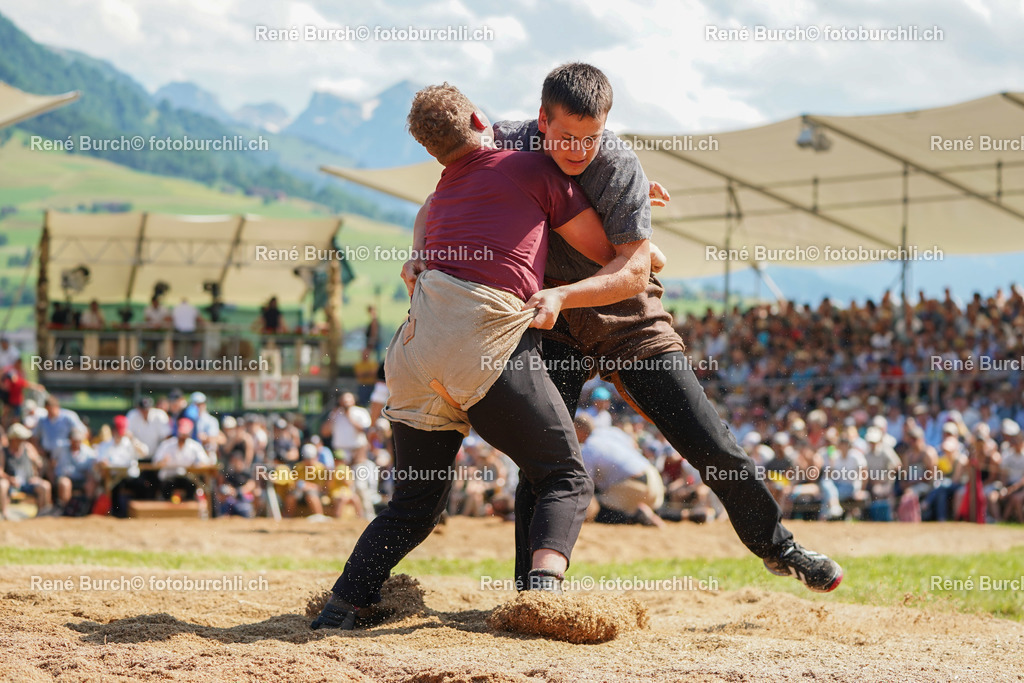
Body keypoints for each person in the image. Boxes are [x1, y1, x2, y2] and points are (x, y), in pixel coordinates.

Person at [488, 63, 842, 593]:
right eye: (566, 137)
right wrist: (422, 252)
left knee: (712, 445)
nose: (579, 150)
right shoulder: (508, 143)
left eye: (592, 137)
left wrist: (565, 292)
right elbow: (449, 187)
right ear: (541, 119)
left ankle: (778, 547)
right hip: (554, 329)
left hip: (629, 323)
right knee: (545, 460)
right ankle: (532, 592)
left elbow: (634, 272)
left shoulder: (618, 163)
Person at [310, 82, 647, 630]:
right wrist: (633, 215)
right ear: (475, 117)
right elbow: (603, 250)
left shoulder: (441, 191)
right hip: (480, 339)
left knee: (414, 506)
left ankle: (344, 602)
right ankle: (542, 601)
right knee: (565, 477)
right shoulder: (526, 166)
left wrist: (418, 254)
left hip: (416, 349)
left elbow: (424, 220)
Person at [575, 414, 665, 527]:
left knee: (597, 508)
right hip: (654, 477)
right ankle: (645, 511)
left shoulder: (588, 448)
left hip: (637, 486)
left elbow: (586, 486)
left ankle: (637, 516)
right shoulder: (612, 431)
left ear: (579, 430)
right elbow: (635, 445)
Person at [1, 423, 54, 518]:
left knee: (45, 486)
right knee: (2, 484)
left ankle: (42, 515)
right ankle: (4, 514)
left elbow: (40, 464)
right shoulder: (3, 452)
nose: (23, 441)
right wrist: (9, 479)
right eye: (20, 439)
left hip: (28, 483)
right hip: (11, 484)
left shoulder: (28, 448)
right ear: (13, 439)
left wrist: (37, 477)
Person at [151, 417, 212, 500]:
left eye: (185, 433)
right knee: (166, 487)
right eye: (182, 433)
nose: (183, 436)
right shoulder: (167, 445)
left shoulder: (194, 446)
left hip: (186, 478)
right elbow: (155, 463)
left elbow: (206, 462)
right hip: (169, 478)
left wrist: (197, 465)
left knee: (192, 486)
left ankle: (189, 509)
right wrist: (162, 462)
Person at [321, 392, 371, 461]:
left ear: (354, 400)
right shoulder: (335, 413)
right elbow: (325, 433)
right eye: (343, 399)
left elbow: (366, 430)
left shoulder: (361, 412)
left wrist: (349, 417)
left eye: (348, 399)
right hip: (340, 452)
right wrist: (333, 415)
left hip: (357, 450)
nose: (346, 402)